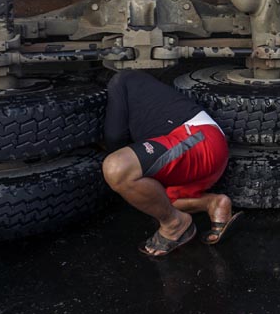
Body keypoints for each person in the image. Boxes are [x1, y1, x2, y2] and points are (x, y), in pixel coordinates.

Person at [101, 70, 242, 257]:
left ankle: (174, 225)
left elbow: (114, 137)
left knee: (117, 168)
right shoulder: (142, 87)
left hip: (198, 139)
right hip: (206, 154)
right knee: (153, 199)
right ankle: (213, 203)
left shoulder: (121, 81)